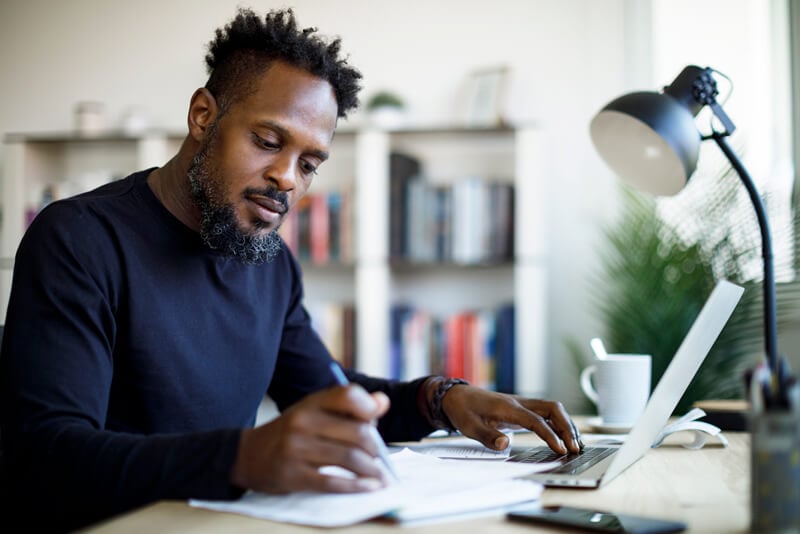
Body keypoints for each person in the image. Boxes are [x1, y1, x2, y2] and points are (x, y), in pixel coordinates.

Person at [0, 7, 582, 532]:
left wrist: (441, 399)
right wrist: (243, 457)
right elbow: (49, 456)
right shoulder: (79, 240)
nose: (287, 178)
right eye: (267, 140)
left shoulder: (272, 264)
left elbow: (327, 393)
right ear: (203, 115)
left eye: (309, 162)